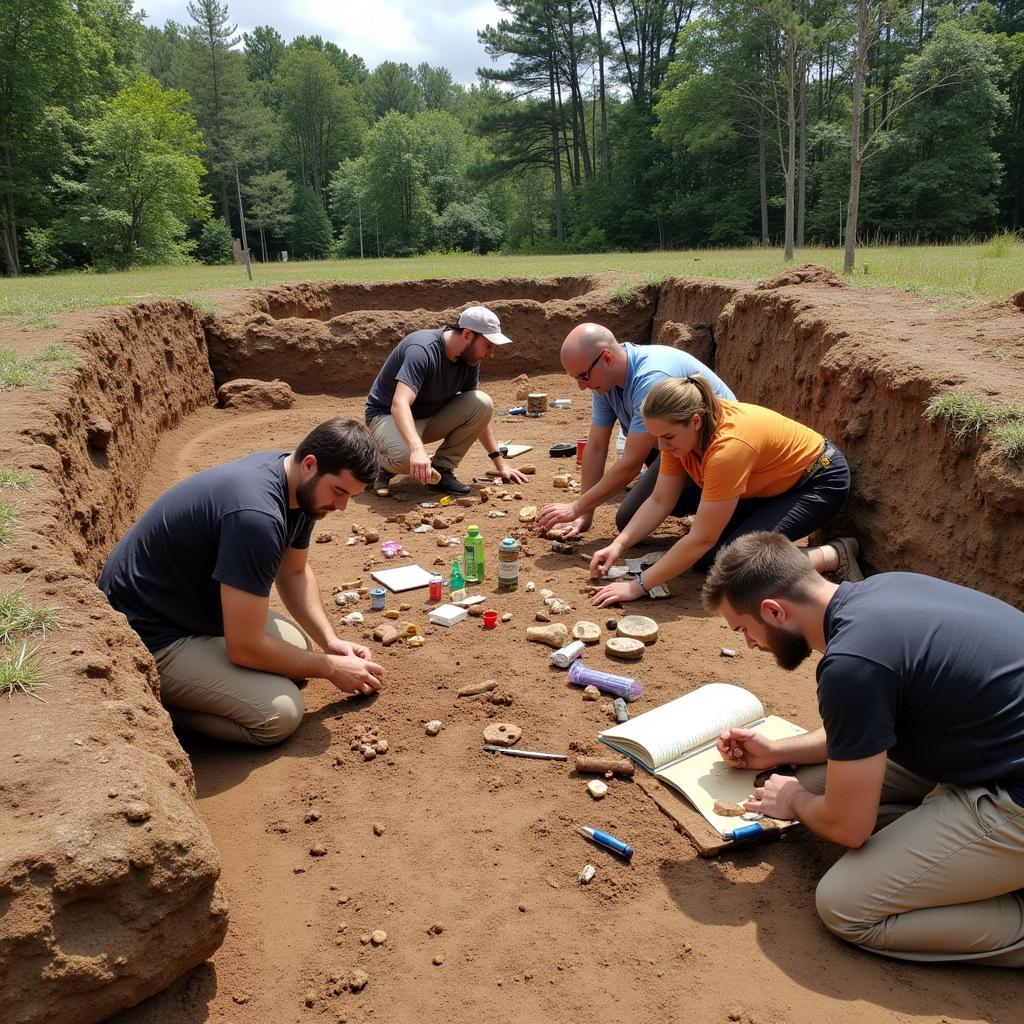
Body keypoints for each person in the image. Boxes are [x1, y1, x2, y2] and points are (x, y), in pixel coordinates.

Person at [702, 531, 1024, 967]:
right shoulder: (884, 589)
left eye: (745, 630)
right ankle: (951, 842)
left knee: (846, 905)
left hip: (1013, 790)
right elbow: (867, 731)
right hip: (997, 746)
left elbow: (850, 828)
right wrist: (777, 752)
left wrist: (796, 801)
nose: (750, 646)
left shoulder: (851, 666)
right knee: (813, 779)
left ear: (774, 611)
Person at [99, 418, 385, 746]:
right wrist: (332, 668)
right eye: (339, 491)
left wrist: (330, 644)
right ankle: (154, 706)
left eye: (350, 496)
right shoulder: (256, 517)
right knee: (279, 714)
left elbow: (293, 572)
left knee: (300, 651)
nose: (341, 506)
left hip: (190, 605)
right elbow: (244, 646)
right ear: (310, 465)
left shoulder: (296, 485)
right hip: (147, 632)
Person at [589, 374, 861, 607]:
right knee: (708, 559)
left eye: (667, 437)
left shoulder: (728, 449)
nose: (661, 447)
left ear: (695, 421)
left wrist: (639, 585)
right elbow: (661, 500)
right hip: (767, 482)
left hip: (817, 480)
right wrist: (618, 544)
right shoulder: (677, 433)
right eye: (657, 437)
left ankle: (833, 555)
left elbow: (702, 538)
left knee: (735, 566)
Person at [537, 323, 735, 539]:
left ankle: (717, 507)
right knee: (633, 514)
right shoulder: (604, 381)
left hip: (715, 453)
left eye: (583, 377)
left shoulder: (650, 378)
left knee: (629, 519)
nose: (581, 387)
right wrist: (584, 513)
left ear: (608, 359)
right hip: (675, 445)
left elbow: (631, 463)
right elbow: (595, 446)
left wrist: (575, 507)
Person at [365, 305, 528, 496]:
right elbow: (399, 403)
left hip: (428, 418)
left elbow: (477, 412)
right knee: (407, 458)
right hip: (387, 417)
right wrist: (417, 450)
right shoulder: (422, 350)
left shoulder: (470, 358)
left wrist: (500, 463)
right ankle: (376, 464)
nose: (491, 353)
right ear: (467, 334)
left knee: (482, 403)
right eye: (488, 345)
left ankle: (441, 469)